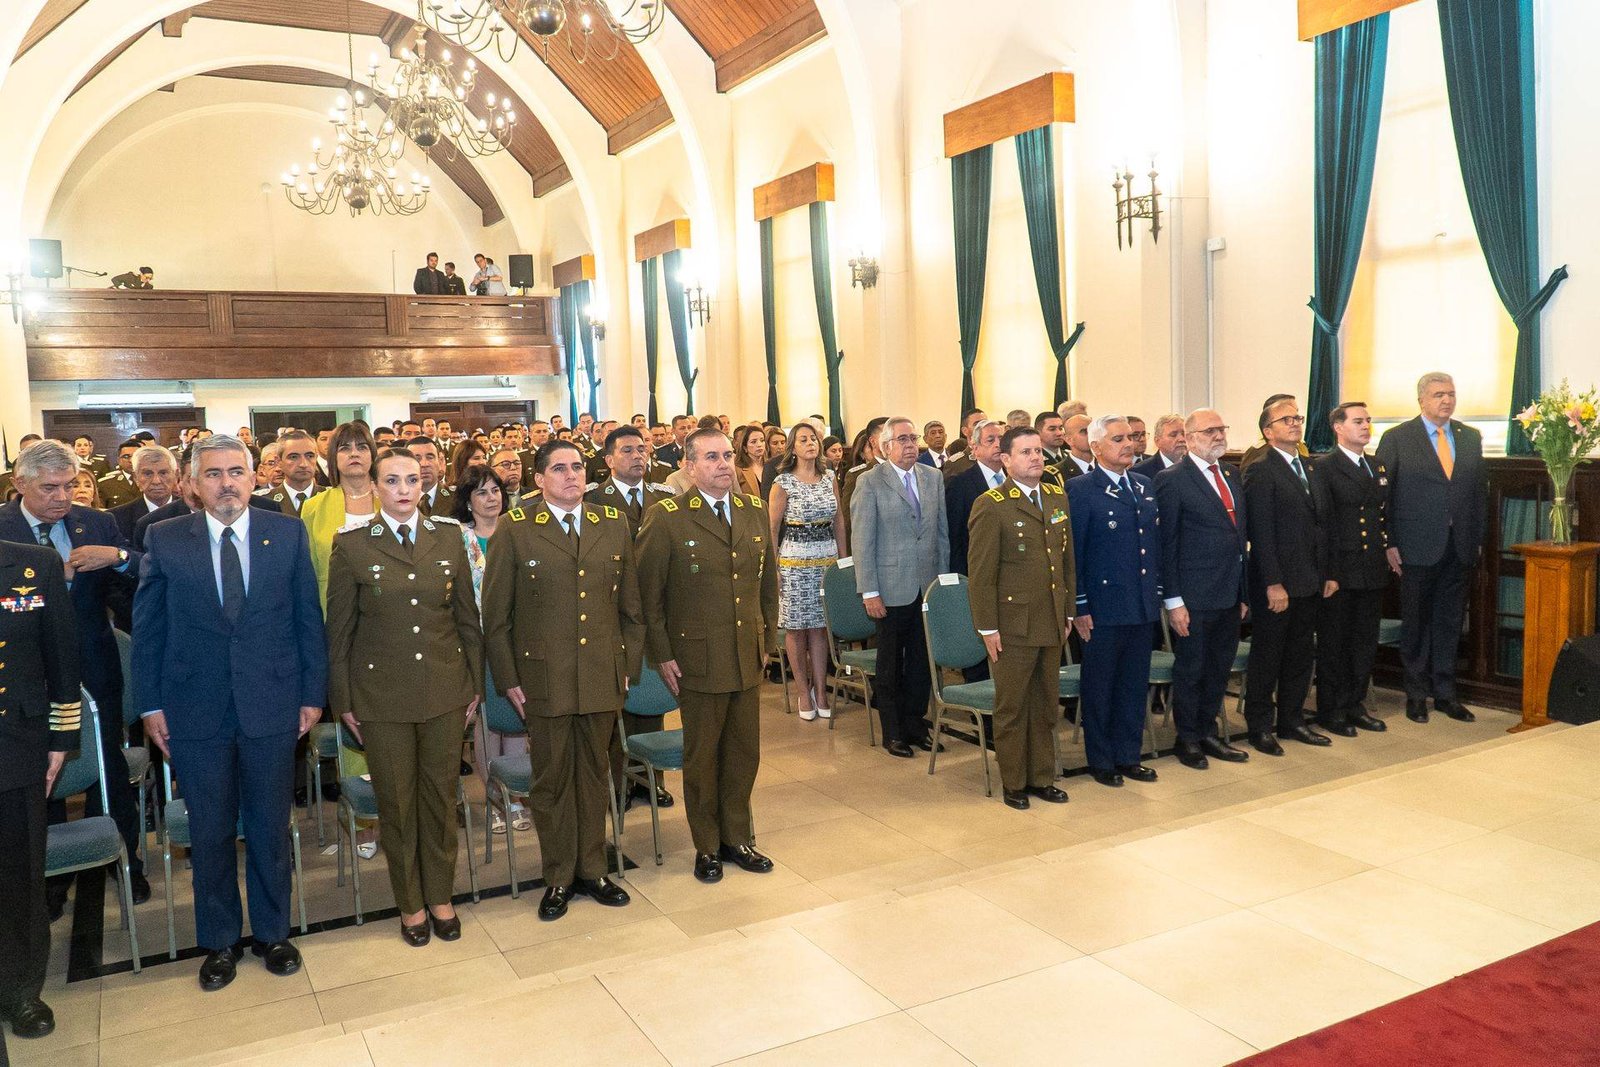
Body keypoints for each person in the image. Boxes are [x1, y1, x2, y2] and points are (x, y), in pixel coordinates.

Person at [133, 436, 326, 991]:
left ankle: (273, 933)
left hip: (272, 703)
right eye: (214, 474)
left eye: (236, 472)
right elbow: (148, 629)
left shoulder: (286, 533)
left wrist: (312, 694)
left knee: (269, 827)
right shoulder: (166, 538)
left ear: (253, 478)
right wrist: (150, 705)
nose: (226, 483)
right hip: (195, 710)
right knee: (211, 830)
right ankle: (218, 942)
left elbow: (308, 619)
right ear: (194, 483)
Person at [327, 448, 482, 947]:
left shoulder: (449, 537)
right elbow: (340, 633)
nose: (403, 489)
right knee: (397, 803)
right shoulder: (352, 545)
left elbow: (466, 619)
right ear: (375, 487)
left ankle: (440, 896)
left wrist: (474, 686)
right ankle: (410, 903)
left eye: (412, 480)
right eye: (392, 481)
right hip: (381, 697)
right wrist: (343, 700)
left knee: (439, 800)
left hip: (444, 690)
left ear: (423, 485)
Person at [483, 441, 640, 919]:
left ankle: (593, 869)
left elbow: (631, 608)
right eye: (559, 469)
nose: (571, 475)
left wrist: (627, 667)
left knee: (594, 774)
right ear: (539, 480)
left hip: (600, 674)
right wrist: (509, 678)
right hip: (544, 677)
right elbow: (497, 616)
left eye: (577, 467)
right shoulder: (516, 528)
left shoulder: (611, 523)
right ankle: (558, 876)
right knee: (551, 780)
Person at [0, 441, 148, 908]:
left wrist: (116, 557)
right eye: (49, 488)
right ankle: (47, 877)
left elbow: (136, 582)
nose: (62, 497)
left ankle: (125, 862)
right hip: (26, 677)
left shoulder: (97, 523)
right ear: (19, 484)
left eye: (69, 485)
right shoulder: (3, 530)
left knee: (109, 765)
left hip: (93, 665)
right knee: (38, 778)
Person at [636, 429, 780, 884]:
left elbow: (767, 585)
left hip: (745, 651)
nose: (723, 465)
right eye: (711, 457)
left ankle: (737, 837)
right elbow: (649, 595)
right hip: (696, 656)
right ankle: (707, 845)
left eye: (727, 456)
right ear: (690, 466)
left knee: (743, 752)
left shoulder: (752, 510)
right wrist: (662, 654)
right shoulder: (668, 517)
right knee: (702, 756)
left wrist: (766, 641)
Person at [968, 426, 1074, 809]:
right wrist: (987, 627)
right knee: (1012, 706)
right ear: (1006, 460)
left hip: (1050, 618)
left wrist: (1068, 611)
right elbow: (982, 574)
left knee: (1045, 704)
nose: (1036, 458)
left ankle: (1041, 777)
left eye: (1039, 451)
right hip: (1012, 624)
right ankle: (1014, 782)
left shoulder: (1056, 495)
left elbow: (1066, 559)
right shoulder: (992, 504)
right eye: (1026, 452)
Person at [0, 542, 79, 1041]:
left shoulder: (33, 564)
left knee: (20, 872)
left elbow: (61, 656)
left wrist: (60, 740)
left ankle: (20, 988)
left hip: (16, 741)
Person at [1375, 371, 1485, 724]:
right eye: (1439, 395)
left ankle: (1446, 694)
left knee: (1449, 622)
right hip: (1415, 546)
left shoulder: (1470, 437)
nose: (1447, 400)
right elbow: (1382, 496)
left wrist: (1476, 539)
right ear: (1421, 399)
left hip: (1459, 546)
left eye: (1451, 393)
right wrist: (1389, 541)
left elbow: (1478, 494)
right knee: (1417, 623)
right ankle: (1416, 694)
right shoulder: (1397, 438)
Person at [584, 427, 675, 810]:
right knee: (616, 700)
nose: (638, 456)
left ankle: (650, 780)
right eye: (627, 450)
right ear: (608, 460)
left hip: (654, 608)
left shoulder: (664, 498)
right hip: (613, 610)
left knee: (650, 694)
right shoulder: (593, 500)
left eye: (641, 449)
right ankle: (618, 783)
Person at [1069, 416, 1162, 788]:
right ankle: (1102, 759)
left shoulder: (1142, 484)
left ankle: (1128, 755)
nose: (1128, 444)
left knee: (1133, 685)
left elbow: (1151, 546)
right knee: (1100, 687)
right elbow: (1074, 553)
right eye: (1118, 439)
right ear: (1096, 447)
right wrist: (1080, 606)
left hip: (1140, 604)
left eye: (1131, 438)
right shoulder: (1081, 489)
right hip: (1103, 607)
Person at [1156, 410, 1251, 770]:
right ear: (1190, 437)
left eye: (1221, 429)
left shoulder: (1231, 473)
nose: (1218, 435)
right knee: (1192, 668)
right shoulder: (1172, 479)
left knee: (1218, 667)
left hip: (1229, 590)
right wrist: (1174, 600)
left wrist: (1243, 593)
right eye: (1210, 431)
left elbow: (1238, 537)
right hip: (1193, 595)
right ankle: (1188, 738)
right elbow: (1167, 544)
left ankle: (1208, 731)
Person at [850, 417, 950, 756]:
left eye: (913, 438)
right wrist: (869, 591)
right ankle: (892, 732)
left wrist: (942, 585)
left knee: (922, 662)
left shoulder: (932, 477)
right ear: (885, 446)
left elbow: (941, 534)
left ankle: (915, 724)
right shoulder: (870, 482)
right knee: (890, 664)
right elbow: (862, 541)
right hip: (890, 587)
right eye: (902, 439)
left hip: (926, 585)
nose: (911, 445)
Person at [1240, 397, 1330, 754]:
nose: (1295, 423)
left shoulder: (1309, 466)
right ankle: (1260, 726)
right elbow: (1261, 532)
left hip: (1309, 578)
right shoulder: (1261, 468)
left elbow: (1320, 525)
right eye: (1286, 419)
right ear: (1268, 431)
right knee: (1269, 656)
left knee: (1300, 655)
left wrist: (1325, 573)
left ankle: (1292, 721)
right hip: (1277, 581)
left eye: (1298, 418)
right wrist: (1273, 583)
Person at [1312, 402, 1395, 736]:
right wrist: (1329, 572)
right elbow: (1323, 524)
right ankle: (1331, 709)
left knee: (1364, 643)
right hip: (1341, 569)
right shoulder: (1324, 467)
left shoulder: (1376, 465)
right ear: (1338, 427)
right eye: (1358, 421)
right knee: (1335, 643)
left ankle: (1354, 704)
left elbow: (1381, 515)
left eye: (1368, 421)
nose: (1365, 426)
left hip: (1371, 565)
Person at [769, 422, 844, 722]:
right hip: (794, 563)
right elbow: (772, 528)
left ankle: (821, 690)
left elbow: (839, 520)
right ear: (793, 448)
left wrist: (844, 560)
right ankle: (803, 691)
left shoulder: (829, 477)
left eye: (813, 438)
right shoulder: (783, 482)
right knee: (797, 628)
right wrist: (773, 567)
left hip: (826, 559)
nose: (810, 443)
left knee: (820, 628)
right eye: (803, 439)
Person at [300, 422, 378, 606]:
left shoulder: (391, 501)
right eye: (345, 448)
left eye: (362, 447)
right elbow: (307, 572)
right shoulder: (313, 507)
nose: (354, 453)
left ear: (373, 455)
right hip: (332, 604)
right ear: (333, 457)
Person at [945, 419, 1006, 576]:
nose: (998, 444)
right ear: (975, 448)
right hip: (978, 570)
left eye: (1001, 439)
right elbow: (955, 536)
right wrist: (960, 577)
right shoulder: (960, 484)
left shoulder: (1016, 479)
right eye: (990, 440)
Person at [110, 444, 178, 542]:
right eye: (148, 474)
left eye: (163, 473)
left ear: (176, 475)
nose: (156, 481)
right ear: (135, 478)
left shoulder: (192, 511)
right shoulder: (116, 518)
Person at [1132, 414, 1187, 480]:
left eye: (1184, 434)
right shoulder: (1140, 471)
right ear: (1157, 441)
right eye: (1173, 435)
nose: (1181, 439)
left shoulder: (1193, 466)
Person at [411, 438, 453, 517]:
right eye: (417, 459)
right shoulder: (396, 500)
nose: (424, 464)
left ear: (439, 462)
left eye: (430, 457)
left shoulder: (457, 498)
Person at [97, 439, 141, 509]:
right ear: (119, 460)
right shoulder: (105, 484)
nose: (131, 460)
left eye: (136, 456)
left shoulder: (151, 482)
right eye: (126, 457)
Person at [732, 425, 766, 499]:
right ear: (745, 447)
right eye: (753, 442)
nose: (759, 445)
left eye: (762, 440)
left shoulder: (772, 465)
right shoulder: (738, 469)